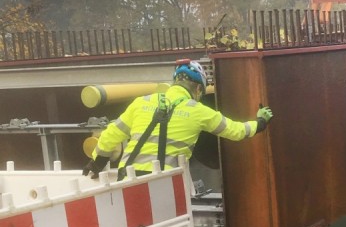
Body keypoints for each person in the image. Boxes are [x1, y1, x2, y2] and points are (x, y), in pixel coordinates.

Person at [83, 59, 273, 179]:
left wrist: (97, 163)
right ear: (198, 89)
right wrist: (260, 122)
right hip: (163, 182)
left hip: (127, 179)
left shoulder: (142, 102)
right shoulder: (198, 111)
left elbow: (111, 135)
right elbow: (236, 131)